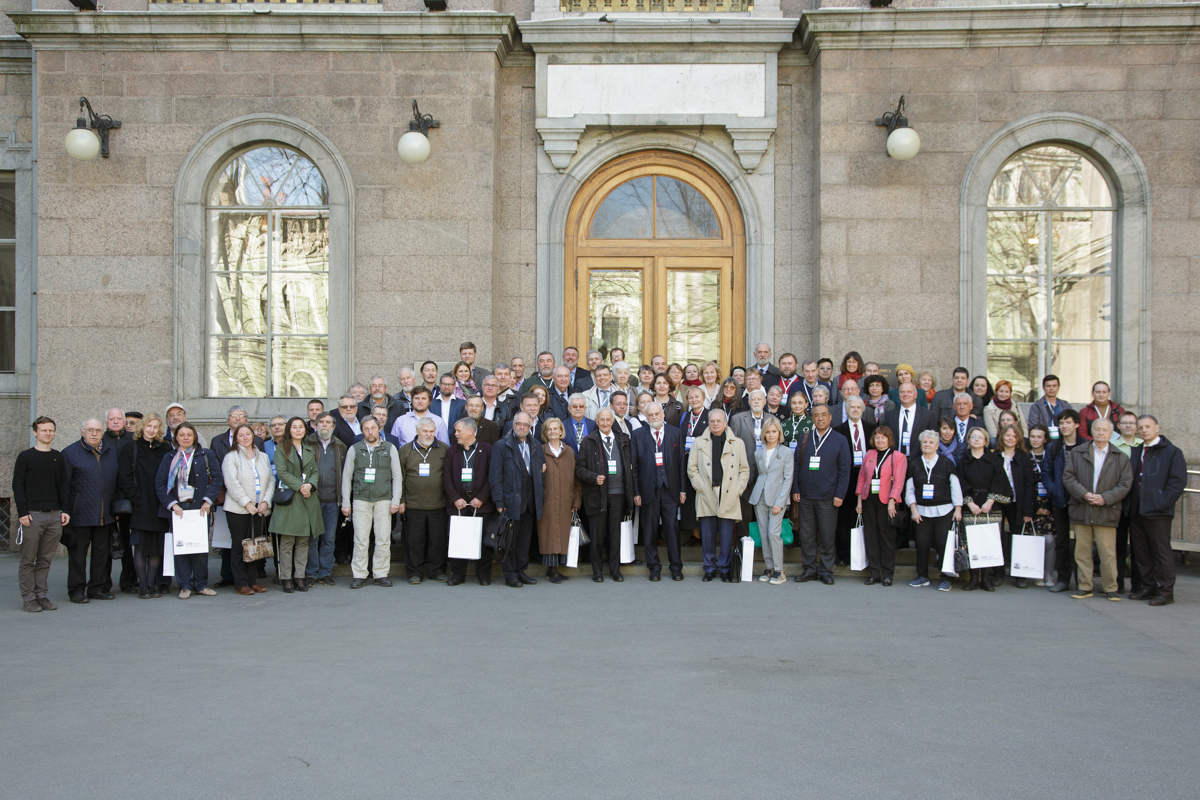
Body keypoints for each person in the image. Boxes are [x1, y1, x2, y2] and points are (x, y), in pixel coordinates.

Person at [1062, 418, 1132, 601]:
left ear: (1111, 434)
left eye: (1104, 430)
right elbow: (1068, 477)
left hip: (1107, 510)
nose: (1100, 433)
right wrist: (1084, 494)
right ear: (1092, 432)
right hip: (1082, 508)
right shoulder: (1078, 452)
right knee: (1082, 551)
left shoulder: (1120, 457)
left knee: (1107, 552)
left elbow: (1125, 484)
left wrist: (1105, 498)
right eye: (1097, 429)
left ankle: (1111, 588)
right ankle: (1085, 586)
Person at [156, 422, 222, 599]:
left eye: (189, 434)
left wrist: (207, 501)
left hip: (200, 508)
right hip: (179, 509)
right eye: (182, 434)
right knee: (182, 548)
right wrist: (172, 504)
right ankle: (185, 585)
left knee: (200, 548)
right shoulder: (169, 457)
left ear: (195, 437)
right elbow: (160, 484)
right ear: (176, 437)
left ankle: (201, 585)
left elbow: (217, 479)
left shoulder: (206, 454)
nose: (185, 438)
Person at [1127, 415, 1188, 606]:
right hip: (1137, 509)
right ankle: (1148, 587)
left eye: (1148, 426)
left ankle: (1165, 592)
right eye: (1141, 427)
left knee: (1161, 552)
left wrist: (1161, 502)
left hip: (1158, 511)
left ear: (1157, 428)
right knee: (1141, 551)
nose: (1144, 430)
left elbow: (1178, 482)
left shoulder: (1172, 452)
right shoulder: (1137, 450)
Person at [13, 416, 70, 612]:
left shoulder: (58, 457)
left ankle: (41, 595)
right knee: (28, 559)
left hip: (54, 515)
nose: (47, 433)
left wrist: (65, 510)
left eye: (51, 430)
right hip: (32, 516)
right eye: (43, 430)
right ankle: (28, 598)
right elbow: (18, 485)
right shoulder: (25, 457)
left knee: (45, 559)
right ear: (35, 432)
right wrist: (22, 512)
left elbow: (64, 485)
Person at [790, 404, 851, 585]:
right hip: (806, 496)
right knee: (807, 536)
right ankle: (809, 569)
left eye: (824, 415)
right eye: (816, 415)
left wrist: (840, 494)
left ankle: (825, 570)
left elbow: (844, 470)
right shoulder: (805, 438)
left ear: (830, 417)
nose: (820, 418)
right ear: (812, 418)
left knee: (826, 536)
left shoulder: (840, 440)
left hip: (828, 496)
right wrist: (796, 489)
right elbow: (796, 464)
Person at [687, 409, 750, 582]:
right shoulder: (699, 442)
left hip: (729, 493)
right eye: (712, 420)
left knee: (726, 536)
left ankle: (724, 568)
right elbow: (692, 468)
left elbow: (744, 469)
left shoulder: (737, 443)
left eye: (718, 420)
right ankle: (709, 568)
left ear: (725, 422)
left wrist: (738, 489)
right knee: (707, 536)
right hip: (707, 492)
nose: (715, 423)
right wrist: (699, 486)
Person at [62, 418, 120, 604]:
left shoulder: (111, 452)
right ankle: (77, 590)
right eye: (90, 430)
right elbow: (64, 485)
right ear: (82, 432)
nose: (94, 433)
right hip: (80, 514)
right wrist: (66, 511)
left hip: (105, 514)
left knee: (102, 554)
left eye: (97, 430)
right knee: (78, 555)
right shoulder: (70, 453)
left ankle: (97, 588)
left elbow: (117, 481)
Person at [341, 416, 401, 589]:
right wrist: (346, 502)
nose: (370, 432)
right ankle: (359, 574)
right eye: (366, 429)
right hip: (360, 500)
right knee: (361, 538)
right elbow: (347, 477)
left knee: (383, 539)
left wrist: (395, 500)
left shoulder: (389, 448)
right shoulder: (354, 449)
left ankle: (381, 573)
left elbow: (397, 476)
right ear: (362, 430)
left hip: (383, 499)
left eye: (373, 428)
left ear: (379, 428)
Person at [632, 402, 687, 582]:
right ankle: (654, 567)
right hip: (648, 490)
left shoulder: (675, 433)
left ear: (663, 414)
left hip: (670, 490)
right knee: (650, 531)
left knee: (672, 529)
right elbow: (635, 467)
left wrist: (682, 490)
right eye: (650, 415)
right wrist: (636, 492)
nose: (654, 417)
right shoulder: (638, 435)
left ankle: (676, 567)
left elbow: (681, 464)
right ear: (646, 417)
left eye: (657, 414)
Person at [577, 408, 634, 582]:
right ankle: (597, 571)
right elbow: (579, 469)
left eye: (608, 419)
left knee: (615, 534)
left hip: (619, 495)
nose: (605, 423)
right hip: (597, 494)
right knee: (597, 535)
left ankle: (615, 570)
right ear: (596, 420)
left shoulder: (623, 439)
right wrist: (594, 478)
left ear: (612, 420)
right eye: (601, 419)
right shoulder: (588, 441)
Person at [490, 411, 546, 588]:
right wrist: (499, 502)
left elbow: (541, 475)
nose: (522, 427)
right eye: (519, 424)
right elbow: (495, 476)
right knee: (510, 540)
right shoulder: (502, 445)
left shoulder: (536, 445)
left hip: (530, 502)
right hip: (510, 501)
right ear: (513, 425)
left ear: (531, 427)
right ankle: (510, 574)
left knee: (524, 540)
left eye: (526, 425)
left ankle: (521, 571)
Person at [268, 417, 324, 593]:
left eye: (301, 427)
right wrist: (300, 486)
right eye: (294, 427)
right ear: (289, 430)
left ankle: (299, 577)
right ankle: (286, 577)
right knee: (287, 541)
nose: (298, 430)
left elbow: (315, 471)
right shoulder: (281, 448)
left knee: (303, 541)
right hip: (291, 499)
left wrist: (310, 485)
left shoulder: (308, 449)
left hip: (308, 498)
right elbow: (282, 473)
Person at [905, 430, 963, 592]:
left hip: (944, 510)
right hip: (922, 511)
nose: (928, 445)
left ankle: (946, 577)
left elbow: (955, 487)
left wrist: (958, 508)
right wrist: (913, 509)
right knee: (922, 544)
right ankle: (922, 575)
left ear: (937, 446)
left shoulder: (946, 463)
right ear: (921, 445)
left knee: (943, 544)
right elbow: (909, 490)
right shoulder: (915, 464)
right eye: (925, 442)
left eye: (931, 442)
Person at [221, 423, 274, 595]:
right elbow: (231, 483)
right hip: (238, 509)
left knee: (255, 545)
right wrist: (247, 503)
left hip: (260, 509)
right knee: (240, 545)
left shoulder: (263, 457)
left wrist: (266, 501)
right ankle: (241, 583)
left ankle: (253, 581)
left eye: (248, 434)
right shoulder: (231, 457)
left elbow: (271, 480)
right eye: (241, 435)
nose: (245, 437)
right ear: (236, 438)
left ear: (253, 436)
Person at [443, 417, 495, 586]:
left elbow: (492, 477)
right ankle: (458, 575)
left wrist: (481, 498)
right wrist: (455, 498)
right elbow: (447, 478)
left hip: (481, 504)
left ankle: (484, 575)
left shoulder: (487, 449)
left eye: (458, 431)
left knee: (483, 543)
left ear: (470, 431)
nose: (455, 434)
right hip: (458, 505)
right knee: (459, 540)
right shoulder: (451, 451)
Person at [398, 417, 449, 584]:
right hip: (413, 504)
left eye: (432, 431)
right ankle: (415, 572)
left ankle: (437, 570)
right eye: (425, 431)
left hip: (438, 504)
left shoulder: (443, 449)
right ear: (417, 432)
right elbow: (400, 477)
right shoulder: (405, 450)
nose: (429, 434)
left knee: (437, 540)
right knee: (414, 541)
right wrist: (401, 500)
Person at [855, 426, 905, 586]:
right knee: (871, 538)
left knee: (887, 539)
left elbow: (898, 481)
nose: (880, 440)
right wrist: (859, 500)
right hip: (869, 500)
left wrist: (892, 501)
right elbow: (862, 477)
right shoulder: (870, 454)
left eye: (883, 437)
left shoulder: (898, 457)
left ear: (889, 439)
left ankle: (888, 574)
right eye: (877, 437)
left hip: (887, 503)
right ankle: (875, 573)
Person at [1046, 409, 1087, 593]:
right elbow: (1046, 472)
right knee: (1062, 541)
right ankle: (1063, 579)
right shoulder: (1053, 447)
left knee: (1082, 542)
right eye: (1061, 423)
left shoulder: (1087, 446)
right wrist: (1054, 489)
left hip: (1081, 501)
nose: (1064, 426)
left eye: (1068, 422)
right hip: (1060, 500)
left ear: (1077, 424)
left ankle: (1082, 581)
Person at [958, 427, 1003, 592]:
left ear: (985, 441)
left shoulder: (995, 459)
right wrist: (969, 503)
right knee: (971, 544)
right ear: (969, 440)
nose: (976, 439)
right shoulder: (963, 460)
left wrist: (989, 502)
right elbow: (960, 482)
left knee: (988, 544)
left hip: (990, 506)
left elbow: (1000, 480)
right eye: (973, 437)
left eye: (980, 437)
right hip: (971, 506)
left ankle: (986, 579)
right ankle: (973, 578)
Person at [993, 423, 1038, 588]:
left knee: (1017, 537)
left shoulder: (1025, 458)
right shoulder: (995, 456)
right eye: (1007, 435)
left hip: (1017, 503)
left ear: (1018, 438)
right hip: (998, 502)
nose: (1010, 438)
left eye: (1014, 436)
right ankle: (998, 573)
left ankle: (1019, 574)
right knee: (997, 538)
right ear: (1002, 437)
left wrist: (1028, 510)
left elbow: (1029, 485)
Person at [537, 418, 581, 584]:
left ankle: (556, 569)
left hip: (565, 500)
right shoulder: (540, 451)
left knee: (562, 534)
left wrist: (576, 501)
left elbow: (576, 479)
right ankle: (552, 570)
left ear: (561, 431)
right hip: (547, 501)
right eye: (550, 429)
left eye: (556, 428)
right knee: (548, 534)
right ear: (545, 433)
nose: (553, 431)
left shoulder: (569, 452)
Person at [305, 412, 347, 587]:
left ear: (333, 426)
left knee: (329, 538)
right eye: (321, 422)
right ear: (315, 425)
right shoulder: (307, 443)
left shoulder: (340, 446)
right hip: (312, 500)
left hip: (332, 500)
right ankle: (311, 573)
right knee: (312, 538)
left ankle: (325, 572)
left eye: (328, 422)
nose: (324, 425)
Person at [751, 417, 793, 585]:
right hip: (759, 496)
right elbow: (762, 475)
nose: (771, 435)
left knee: (773, 533)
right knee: (763, 534)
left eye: (774, 432)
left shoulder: (786, 452)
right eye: (768, 432)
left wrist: (780, 502)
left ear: (779, 433)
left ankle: (779, 570)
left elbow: (788, 479)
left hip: (777, 498)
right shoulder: (758, 452)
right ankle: (769, 567)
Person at [834, 396, 875, 565]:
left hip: (868, 478)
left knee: (867, 516)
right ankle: (844, 555)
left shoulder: (872, 429)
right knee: (845, 518)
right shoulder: (838, 430)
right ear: (846, 409)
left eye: (858, 407)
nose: (855, 410)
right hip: (847, 477)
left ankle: (865, 555)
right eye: (852, 407)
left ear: (863, 409)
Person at [103, 408, 136, 594]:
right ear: (106, 422)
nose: (115, 422)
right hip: (105, 499)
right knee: (105, 544)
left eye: (119, 419)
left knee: (128, 539)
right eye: (111, 419)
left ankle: (129, 581)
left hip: (127, 499)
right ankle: (103, 583)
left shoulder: (133, 439)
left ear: (125, 421)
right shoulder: (101, 439)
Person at [1111, 411, 1144, 593]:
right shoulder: (1112, 446)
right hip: (1118, 502)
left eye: (1132, 423)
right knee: (1119, 545)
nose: (1128, 426)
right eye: (1125, 423)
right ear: (1118, 426)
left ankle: (1138, 585)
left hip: (1139, 503)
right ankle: (1118, 583)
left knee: (1139, 546)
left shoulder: (1144, 445)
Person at [678, 387, 709, 546]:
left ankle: (706, 534)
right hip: (686, 462)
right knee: (689, 500)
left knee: (704, 498)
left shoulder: (710, 416)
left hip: (704, 463)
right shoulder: (685, 416)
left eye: (697, 397)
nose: (694, 400)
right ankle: (695, 535)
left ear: (703, 397)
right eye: (691, 397)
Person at [1026, 425, 1057, 586]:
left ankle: (1049, 575)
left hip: (1050, 504)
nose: (1035, 440)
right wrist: (1034, 507)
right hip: (1032, 505)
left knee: (1050, 540)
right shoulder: (1025, 456)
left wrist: (1049, 506)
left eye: (1039, 437)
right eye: (1033, 436)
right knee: (1035, 540)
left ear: (1045, 439)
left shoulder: (1050, 456)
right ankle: (1037, 573)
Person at [883, 382, 937, 457]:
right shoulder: (890, 415)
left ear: (916, 395)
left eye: (909, 392)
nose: (905, 394)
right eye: (902, 392)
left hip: (919, 460)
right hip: (895, 460)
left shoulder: (928, 415)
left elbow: (933, 439)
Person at [949, 392, 987, 462]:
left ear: (971, 406)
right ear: (954, 407)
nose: (962, 406)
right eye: (958, 404)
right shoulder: (948, 424)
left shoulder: (978, 424)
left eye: (965, 403)